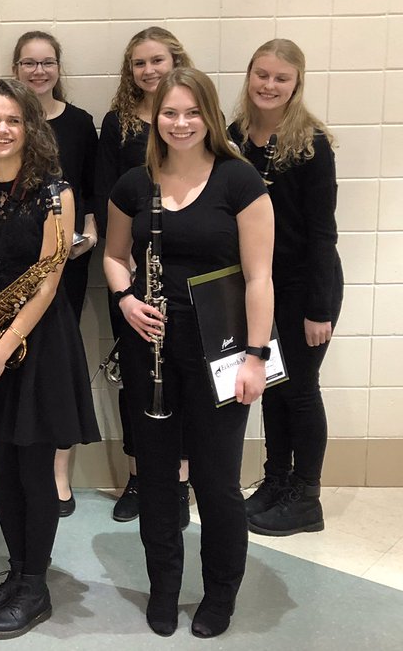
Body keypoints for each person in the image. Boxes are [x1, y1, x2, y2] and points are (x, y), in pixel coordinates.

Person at [103, 67, 274, 639]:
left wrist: (255, 356)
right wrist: (125, 299)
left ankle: (220, 594)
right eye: (169, 113)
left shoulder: (239, 181)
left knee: (217, 481)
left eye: (192, 112)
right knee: (155, 478)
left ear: (210, 117)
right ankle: (165, 587)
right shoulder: (134, 183)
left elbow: (259, 277)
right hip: (151, 348)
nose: (180, 123)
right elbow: (113, 255)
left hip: (220, 354)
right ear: (156, 117)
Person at [0, 79, 100, 640]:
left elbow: (49, 279)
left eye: (12, 119)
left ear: (29, 127)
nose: (2, 129)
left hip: (38, 340)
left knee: (34, 469)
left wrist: (5, 345)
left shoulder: (56, 192)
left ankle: (36, 586)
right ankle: (16, 572)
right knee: (0, 464)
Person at [229, 39, 342, 537]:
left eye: (281, 78)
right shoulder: (234, 137)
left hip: (304, 288)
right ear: (249, 75)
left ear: (297, 84)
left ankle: (306, 495)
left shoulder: (312, 144)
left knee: (299, 391)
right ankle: (275, 483)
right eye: (262, 74)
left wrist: (319, 308)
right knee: (272, 389)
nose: (268, 85)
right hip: (258, 286)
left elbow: (323, 234)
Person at [94, 26, 194, 524]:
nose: (149, 71)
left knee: (183, 378)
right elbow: (107, 192)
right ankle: (138, 476)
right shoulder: (118, 124)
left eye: (157, 60)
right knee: (137, 376)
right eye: (140, 63)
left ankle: (177, 483)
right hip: (133, 275)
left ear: (176, 60)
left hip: (185, 277)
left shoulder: (195, 119)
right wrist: (124, 269)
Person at [11, 31, 97, 518]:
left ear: (59, 68)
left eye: (46, 63)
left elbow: (89, 190)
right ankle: (26, 462)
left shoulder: (81, 123)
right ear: (16, 68)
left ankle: (60, 472)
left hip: (69, 263)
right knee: (22, 360)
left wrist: (87, 236)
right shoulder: (7, 119)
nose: (37, 71)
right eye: (28, 63)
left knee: (60, 365)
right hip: (15, 263)